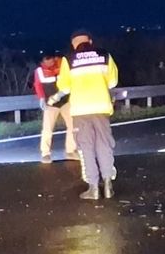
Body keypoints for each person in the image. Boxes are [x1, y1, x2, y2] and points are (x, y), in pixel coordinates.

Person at [49, 30, 119, 200]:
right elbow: (113, 82)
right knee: (104, 144)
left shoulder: (69, 59)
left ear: (73, 43)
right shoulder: (104, 55)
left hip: (81, 109)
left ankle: (93, 188)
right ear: (90, 41)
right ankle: (108, 185)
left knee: (86, 147)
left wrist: (54, 98)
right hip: (101, 107)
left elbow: (64, 87)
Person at [34, 54, 78, 163]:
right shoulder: (39, 71)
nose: (51, 61)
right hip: (50, 104)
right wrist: (41, 99)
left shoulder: (62, 65)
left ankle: (70, 151)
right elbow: (38, 85)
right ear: (42, 61)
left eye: (52, 58)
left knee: (73, 126)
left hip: (66, 101)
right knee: (47, 128)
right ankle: (45, 154)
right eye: (48, 59)